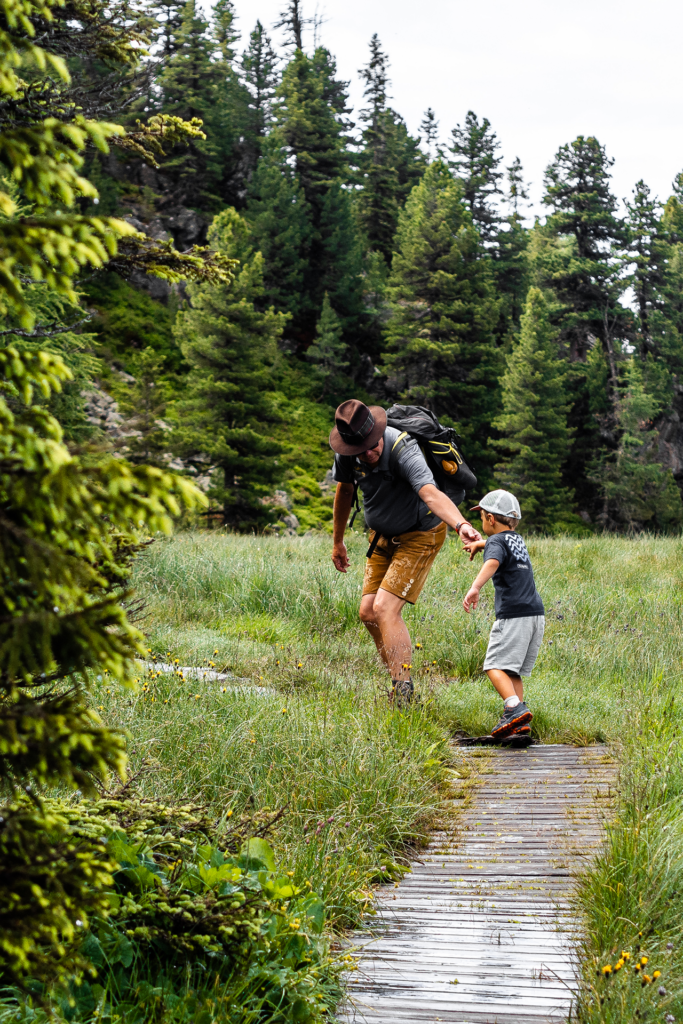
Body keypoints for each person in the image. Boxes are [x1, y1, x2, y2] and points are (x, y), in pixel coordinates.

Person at [329, 399, 482, 703]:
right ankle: (399, 679)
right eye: (360, 451)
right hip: (381, 538)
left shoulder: (402, 447)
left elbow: (429, 493)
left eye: (371, 447)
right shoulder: (348, 455)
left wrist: (460, 524)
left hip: (420, 535)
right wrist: (337, 540)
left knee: (386, 608)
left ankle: (403, 692)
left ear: (377, 433)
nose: (368, 454)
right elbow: (345, 490)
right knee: (368, 613)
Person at [462, 489, 545, 739]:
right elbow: (500, 546)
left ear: (490, 519)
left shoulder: (496, 543)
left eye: (482, 518)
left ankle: (513, 707)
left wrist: (475, 587)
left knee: (493, 666)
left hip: (513, 615)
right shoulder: (516, 539)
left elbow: (493, 561)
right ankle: (519, 725)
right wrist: (481, 543)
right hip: (535, 615)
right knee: (512, 671)